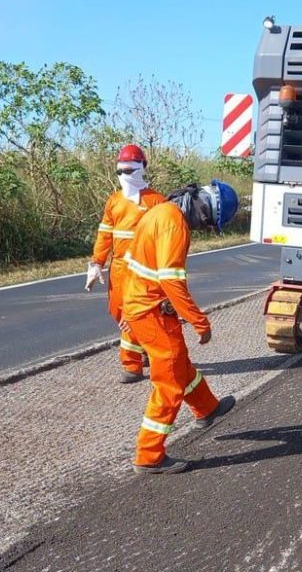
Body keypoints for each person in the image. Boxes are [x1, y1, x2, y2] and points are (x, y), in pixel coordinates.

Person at [121, 180, 240, 474]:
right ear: (202, 207)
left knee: (181, 365)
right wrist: (200, 322)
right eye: (208, 220)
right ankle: (149, 456)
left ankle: (207, 408)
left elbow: (130, 264)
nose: (204, 227)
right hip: (153, 314)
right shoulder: (175, 224)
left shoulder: (160, 211)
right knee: (170, 383)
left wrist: (125, 306)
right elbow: (171, 281)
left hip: (143, 308)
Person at [86, 144, 166, 383]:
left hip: (144, 270)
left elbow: (165, 239)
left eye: (130, 171)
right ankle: (144, 349)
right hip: (119, 268)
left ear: (143, 168)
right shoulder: (114, 202)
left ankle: (132, 366)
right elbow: (104, 235)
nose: (124, 177)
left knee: (134, 315)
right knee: (118, 311)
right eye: (120, 171)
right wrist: (96, 263)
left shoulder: (156, 202)